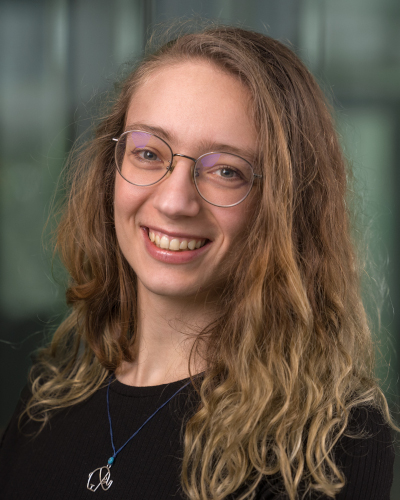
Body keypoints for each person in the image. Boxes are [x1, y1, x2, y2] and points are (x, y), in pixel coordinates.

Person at [0, 25, 395, 500]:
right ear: (112, 170)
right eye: (149, 153)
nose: (174, 201)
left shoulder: (334, 437)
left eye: (226, 171)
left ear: (286, 207)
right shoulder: (47, 399)